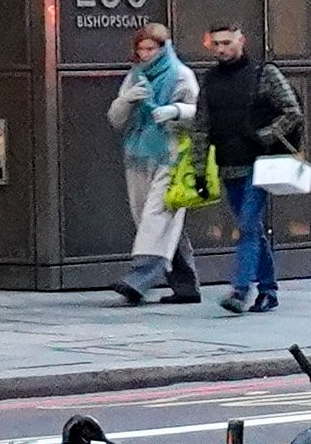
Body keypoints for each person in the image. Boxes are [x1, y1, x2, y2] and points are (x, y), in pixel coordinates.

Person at [196, 24, 298, 314]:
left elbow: (292, 111)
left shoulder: (264, 73)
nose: (221, 49)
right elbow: (201, 128)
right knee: (251, 228)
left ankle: (240, 290)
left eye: (227, 42)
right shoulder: (210, 80)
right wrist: (200, 171)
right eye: (216, 44)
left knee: (248, 226)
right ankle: (268, 290)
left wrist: (264, 136)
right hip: (228, 164)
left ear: (241, 41)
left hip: (260, 163)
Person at [107, 20, 200, 305]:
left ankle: (139, 279)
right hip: (138, 155)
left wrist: (175, 111)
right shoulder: (135, 77)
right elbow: (115, 119)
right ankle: (186, 286)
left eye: (151, 49)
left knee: (157, 216)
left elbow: (198, 113)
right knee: (151, 218)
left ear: (163, 48)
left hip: (172, 154)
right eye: (141, 49)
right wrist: (126, 100)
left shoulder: (181, 75)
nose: (145, 54)